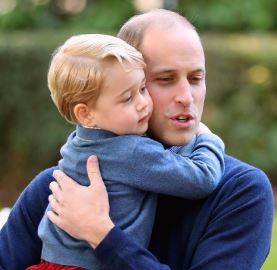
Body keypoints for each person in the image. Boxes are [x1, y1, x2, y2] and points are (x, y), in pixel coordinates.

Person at [0, 9, 274, 270]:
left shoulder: (241, 192)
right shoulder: (61, 190)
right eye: (165, 79)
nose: (186, 97)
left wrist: (102, 235)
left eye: (195, 78)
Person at [27, 33, 224, 270]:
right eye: (127, 98)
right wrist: (208, 138)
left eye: (142, 88)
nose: (142, 103)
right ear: (86, 114)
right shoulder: (131, 152)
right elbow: (201, 178)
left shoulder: (77, 143)